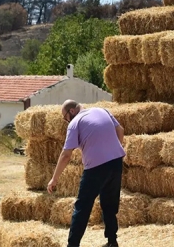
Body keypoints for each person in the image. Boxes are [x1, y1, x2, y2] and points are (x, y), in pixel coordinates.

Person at [47, 100, 126, 247]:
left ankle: (73, 245)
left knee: (82, 207)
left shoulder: (75, 123)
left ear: (71, 111)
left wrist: (54, 179)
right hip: (116, 162)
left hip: (96, 168)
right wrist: (112, 151)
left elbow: (66, 155)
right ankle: (112, 241)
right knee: (109, 203)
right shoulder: (102, 110)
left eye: (65, 118)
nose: (66, 121)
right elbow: (120, 130)